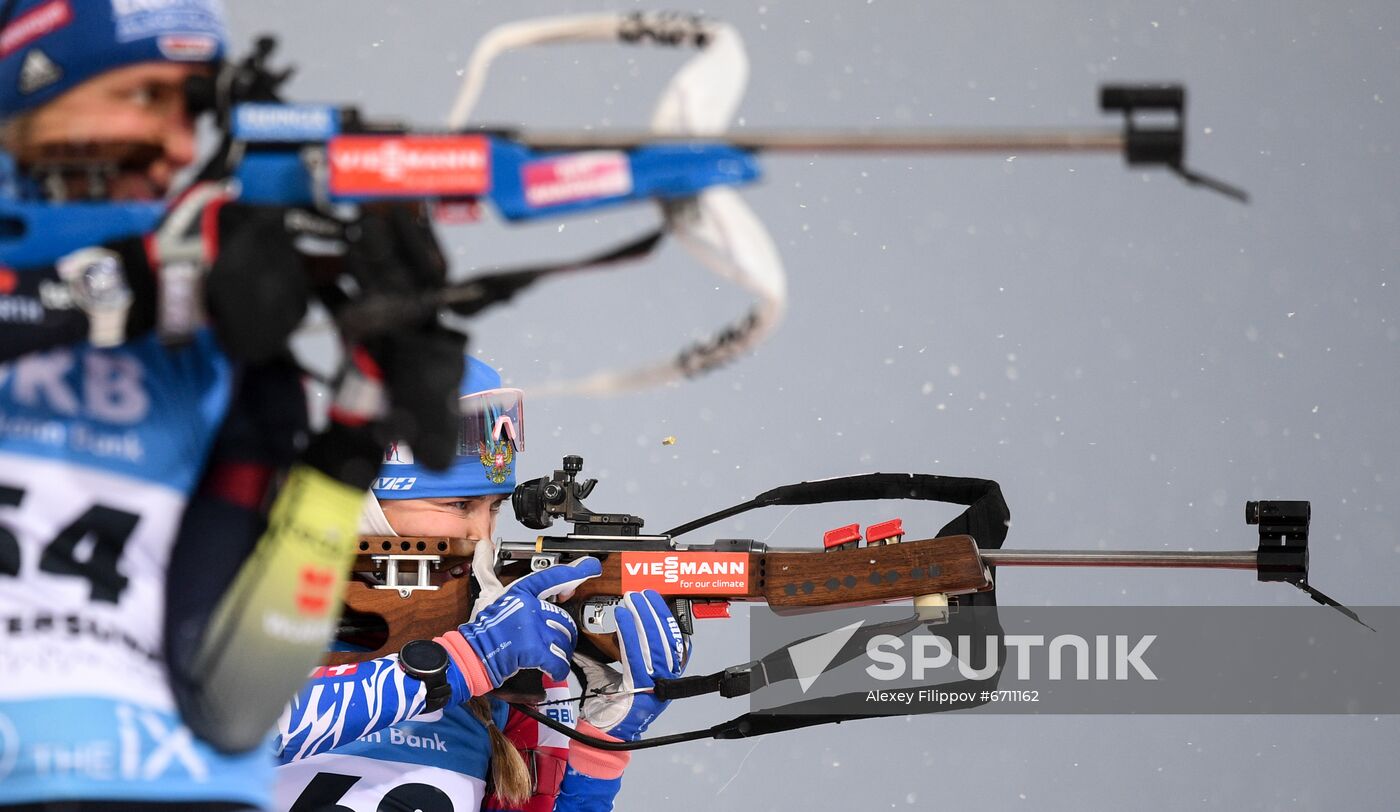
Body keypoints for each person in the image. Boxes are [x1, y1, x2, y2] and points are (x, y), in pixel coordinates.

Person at [0, 2, 467, 809]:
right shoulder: (149, 279)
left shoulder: (205, 341)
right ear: (34, 87)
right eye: (145, 95)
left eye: (194, 108)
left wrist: (355, 428)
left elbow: (238, 703)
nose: (182, 144)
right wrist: (128, 281)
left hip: (176, 787)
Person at [275, 357, 687, 812]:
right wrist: (461, 662)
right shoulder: (243, 610)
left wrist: (598, 753)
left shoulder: (503, 679)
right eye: (458, 505)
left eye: (494, 508)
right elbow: (230, 729)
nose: (483, 536)